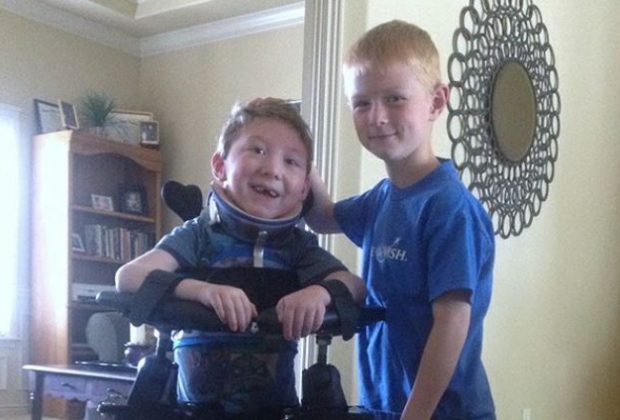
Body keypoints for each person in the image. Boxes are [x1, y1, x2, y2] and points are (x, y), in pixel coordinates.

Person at [115, 97, 366, 417]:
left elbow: (354, 285)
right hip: (195, 410)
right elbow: (129, 277)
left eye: (291, 161)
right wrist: (201, 291)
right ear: (220, 167)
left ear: (304, 188)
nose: (272, 169)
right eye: (257, 150)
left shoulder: (297, 246)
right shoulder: (199, 235)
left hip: (275, 411)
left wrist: (319, 293)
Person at [305, 20, 495, 420]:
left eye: (394, 99)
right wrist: (294, 155)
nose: (376, 117)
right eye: (361, 103)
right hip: (384, 406)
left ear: (437, 102)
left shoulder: (449, 208)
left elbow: (452, 322)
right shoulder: (381, 199)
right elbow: (321, 217)